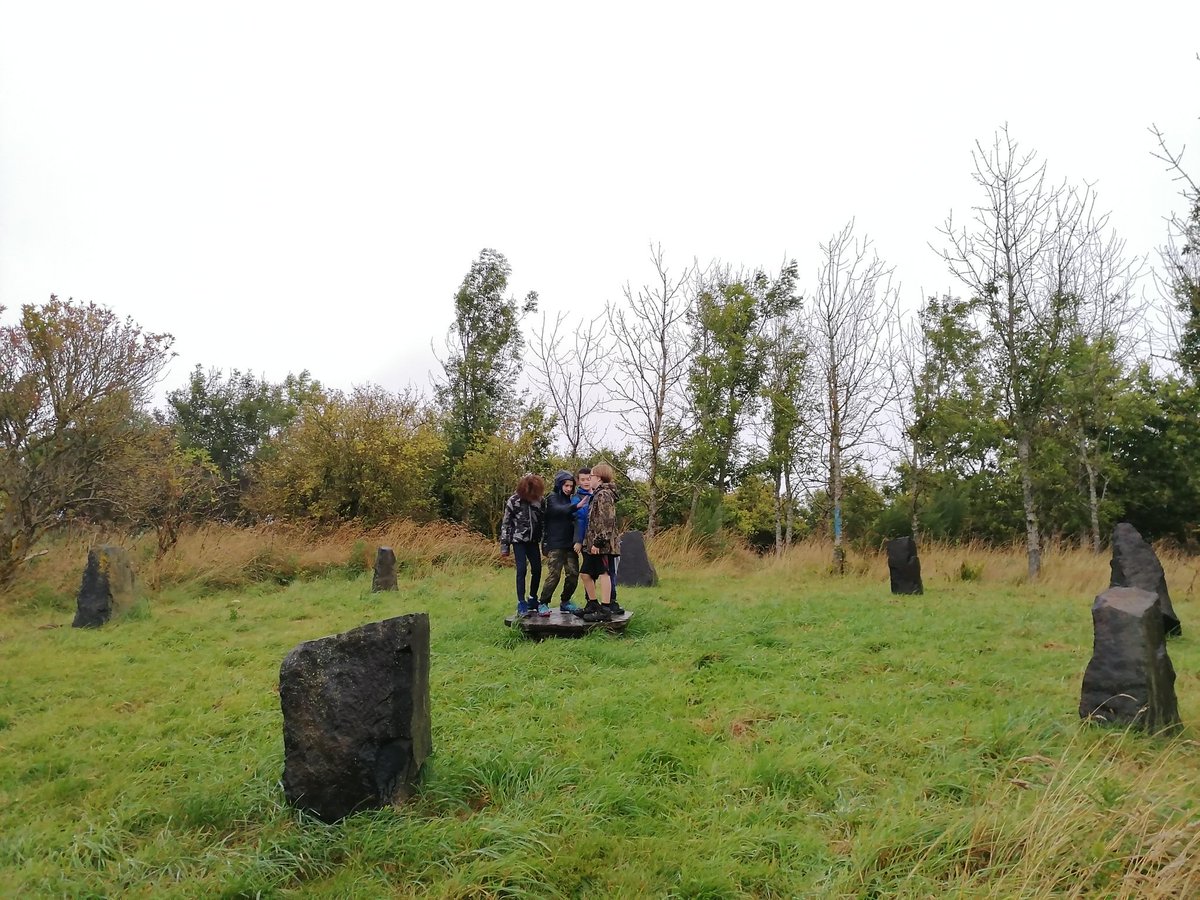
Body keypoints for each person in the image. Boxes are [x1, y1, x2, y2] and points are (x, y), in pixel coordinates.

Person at [499, 473, 547, 617]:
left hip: (534, 541)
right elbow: (506, 524)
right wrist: (504, 546)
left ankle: (533, 598)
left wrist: (545, 543)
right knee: (521, 570)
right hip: (518, 540)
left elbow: (544, 523)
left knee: (537, 569)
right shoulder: (513, 501)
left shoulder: (540, 501)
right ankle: (521, 602)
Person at [579, 462, 621, 621]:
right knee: (585, 574)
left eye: (592, 476)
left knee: (604, 573)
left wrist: (598, 542)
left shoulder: (604, 495)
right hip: (592, 543)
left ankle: (605, 608)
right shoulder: (598, 494)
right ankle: (593, 604)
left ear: (599, 477)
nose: (590, 479)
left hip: (602, 544)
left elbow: (606, 520)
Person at [538, 470, 581, 613]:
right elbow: (558, 510)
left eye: (571, 486)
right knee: (554, 575)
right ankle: (543, 602)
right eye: (566, 485)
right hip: (555, 543)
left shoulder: (573, 499)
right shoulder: (552, 497)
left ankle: (565, 601)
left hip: (570, 543)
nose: (569, 489)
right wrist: (576, 506)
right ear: (560, 484)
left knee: (574, 574)